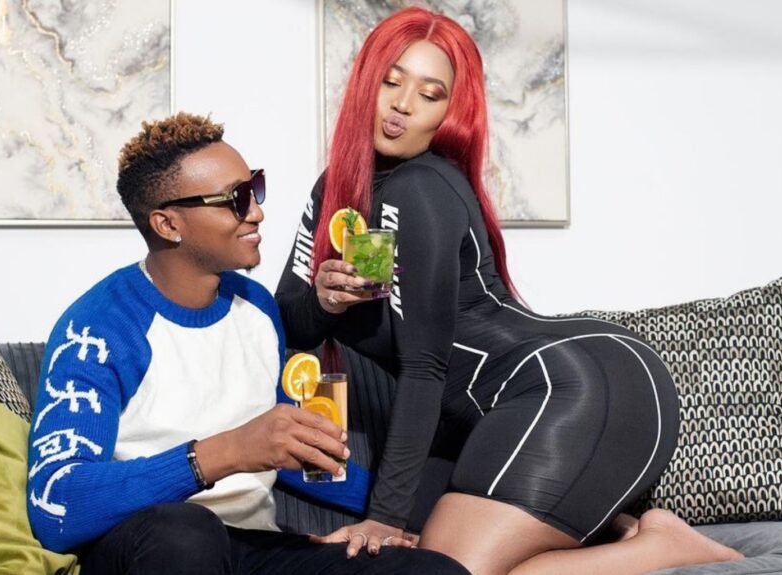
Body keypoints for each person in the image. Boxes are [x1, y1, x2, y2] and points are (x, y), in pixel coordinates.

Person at [276, 8, 744, 575]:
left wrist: (385, 519)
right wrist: (325, 300)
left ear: (450, 111)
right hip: (585, 378)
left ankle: (663, 547)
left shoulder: (418, 189)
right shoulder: (335, 190)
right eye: (391, 82)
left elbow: (425, 368)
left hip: (566, 388)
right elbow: (291, 322)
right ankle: (619, 529)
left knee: (453, 571)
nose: (402, 105)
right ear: (365, 83)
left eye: (430, 94)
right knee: (440, 552)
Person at [26, 112, 469, 575]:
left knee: (432, 571)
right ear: (168, 224)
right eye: (235, 200)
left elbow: (291, 453)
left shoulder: (257, 308)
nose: (256, 212)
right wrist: (229, 450)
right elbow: (56, 503)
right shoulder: (97, 329)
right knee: (187, 533)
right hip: (151, 543)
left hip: (252, 547)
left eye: (254, 188)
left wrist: (398, 515)